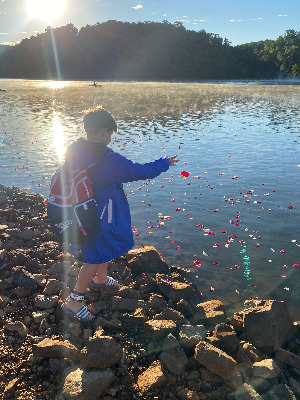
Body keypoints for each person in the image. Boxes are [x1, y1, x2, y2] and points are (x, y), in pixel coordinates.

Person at [61, 106, 179, 322]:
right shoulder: (106, 158)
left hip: (83, 207)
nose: (110, 139)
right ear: (104, 131)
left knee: (101, 245)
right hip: (102, 211)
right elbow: (139, 171)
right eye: (110, 134)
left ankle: (101, 277)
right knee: (94, 254)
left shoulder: (76, 148)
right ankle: (74, 302)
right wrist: (165, 162)